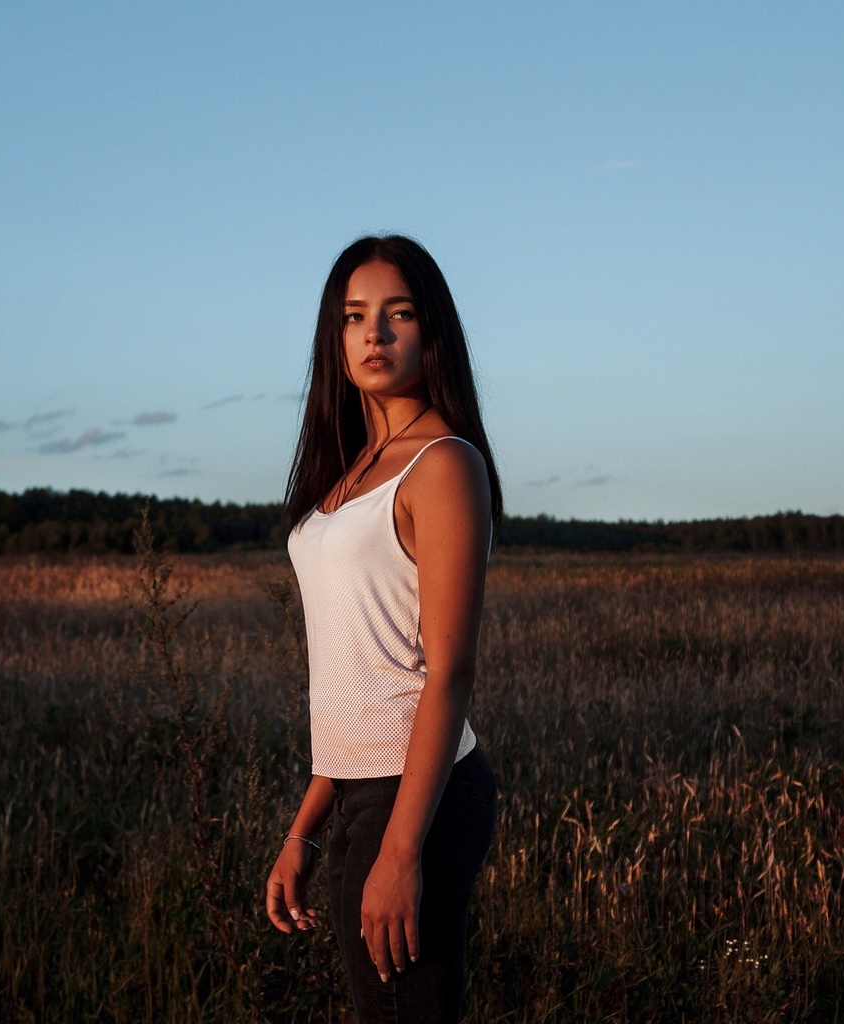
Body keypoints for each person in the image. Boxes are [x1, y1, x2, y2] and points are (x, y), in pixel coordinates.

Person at [265, 235, 503, 1023]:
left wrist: (402, 850)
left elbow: (446, 674)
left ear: (431, 331)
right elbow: (359, 676)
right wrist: (304, 828)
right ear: (335, 338)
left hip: (418, 798)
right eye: (355, 316)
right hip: (357, 795)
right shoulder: (348, 473)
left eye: (398, 314)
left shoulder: (441, 463)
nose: (375, 334)